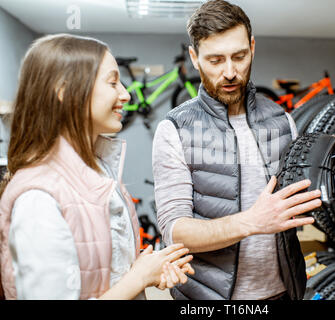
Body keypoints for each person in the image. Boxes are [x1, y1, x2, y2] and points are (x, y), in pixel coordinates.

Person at [0, 34, 194, 300]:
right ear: (64, 91)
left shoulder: (100, 171)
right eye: (113, 83)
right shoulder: (38, 198)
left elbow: (101, 273)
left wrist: (142, 269)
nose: (125, 95)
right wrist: (140, 277)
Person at [152, 0, 322, 300]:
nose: (230, 72)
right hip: (207, 298)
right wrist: (251, 222)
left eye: (239, 57)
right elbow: (175, 231)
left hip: (284, 292)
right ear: (194, 57)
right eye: (215, 60)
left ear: (252, 48)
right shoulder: (175, 129)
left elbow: (296, 204)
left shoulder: (283, 121)